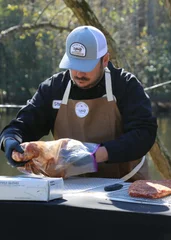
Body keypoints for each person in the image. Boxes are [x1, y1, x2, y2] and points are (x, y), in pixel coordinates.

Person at [0, 25, 157, 181]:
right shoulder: (54, 88)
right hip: (71, 186)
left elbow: (144, 133)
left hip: (123, 184)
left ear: (105, 60)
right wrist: (9, 140)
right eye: (74, 65)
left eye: (86, 66)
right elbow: (23, 125)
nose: (79, 73)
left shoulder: (125, 85)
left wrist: (96, 155)